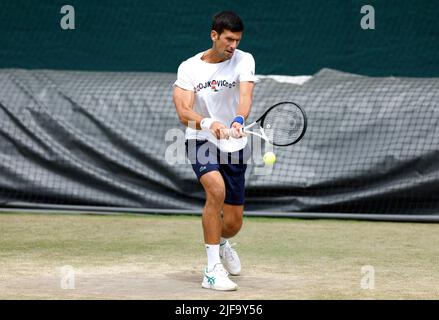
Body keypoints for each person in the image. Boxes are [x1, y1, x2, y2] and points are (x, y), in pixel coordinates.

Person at [172, 11, 256, 291]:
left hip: (235, 144)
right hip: (200, 139)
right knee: (215, 190)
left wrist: (238, 120)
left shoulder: (244, 60)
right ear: (214, 35)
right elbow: (183, 112)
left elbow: (245, 98)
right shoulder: (189, 68)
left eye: (237, 40)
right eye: (228, 39)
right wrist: (209, 123)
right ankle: (211, 270)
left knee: (232, 223)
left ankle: (222, 242)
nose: (233, 46)